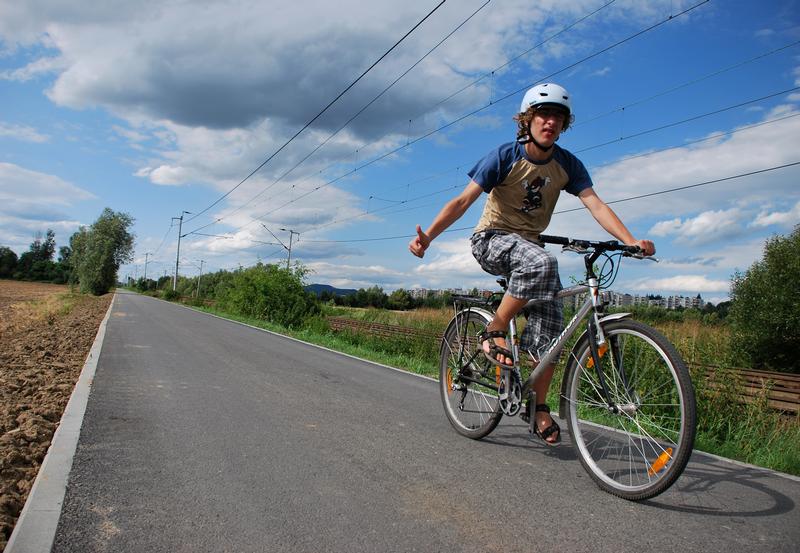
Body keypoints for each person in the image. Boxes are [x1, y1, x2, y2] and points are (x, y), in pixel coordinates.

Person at [409, 82, 655, 445]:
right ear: (528, 120)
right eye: (543, 114)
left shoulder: (567, 164)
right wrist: (428, 236)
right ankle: (495, 328)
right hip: (491, 240)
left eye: (558, 116)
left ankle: (538, 407)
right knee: (542, 263)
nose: (550, 122)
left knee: (550, 331)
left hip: (530, 248)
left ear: (564, 123)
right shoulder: (504, 156)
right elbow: (463, 202)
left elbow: (596, 204)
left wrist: (630, 240)